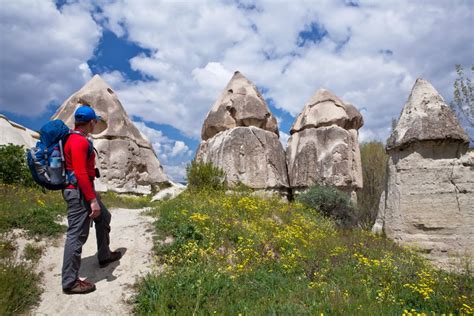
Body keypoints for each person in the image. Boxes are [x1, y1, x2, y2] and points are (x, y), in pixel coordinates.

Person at [61, 105, 121, 295]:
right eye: (95, 121)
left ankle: (104, 255)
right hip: (78, 192)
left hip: (84, 190)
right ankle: (70, 282)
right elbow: (79, 173)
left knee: (104, 217)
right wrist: (92, 200)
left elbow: (84, 172)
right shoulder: (78, 141)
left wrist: (94, 195)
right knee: (77, 235)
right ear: (92, 122)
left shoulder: (77, 139)